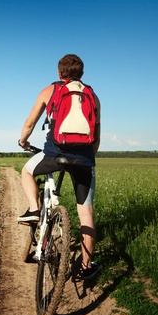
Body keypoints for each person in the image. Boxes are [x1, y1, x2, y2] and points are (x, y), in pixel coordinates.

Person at [17, 54, 101, 280]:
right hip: (84, 159)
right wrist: (85, 159)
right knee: (86, 213)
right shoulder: (92, 95)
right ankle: (86, 267)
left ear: (59, 72)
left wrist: (23, 141)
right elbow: (96, 138)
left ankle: (34, 210)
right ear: (81, 73)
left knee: (26, 171)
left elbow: (29, 124)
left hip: (54, 154)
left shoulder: (50, 90)